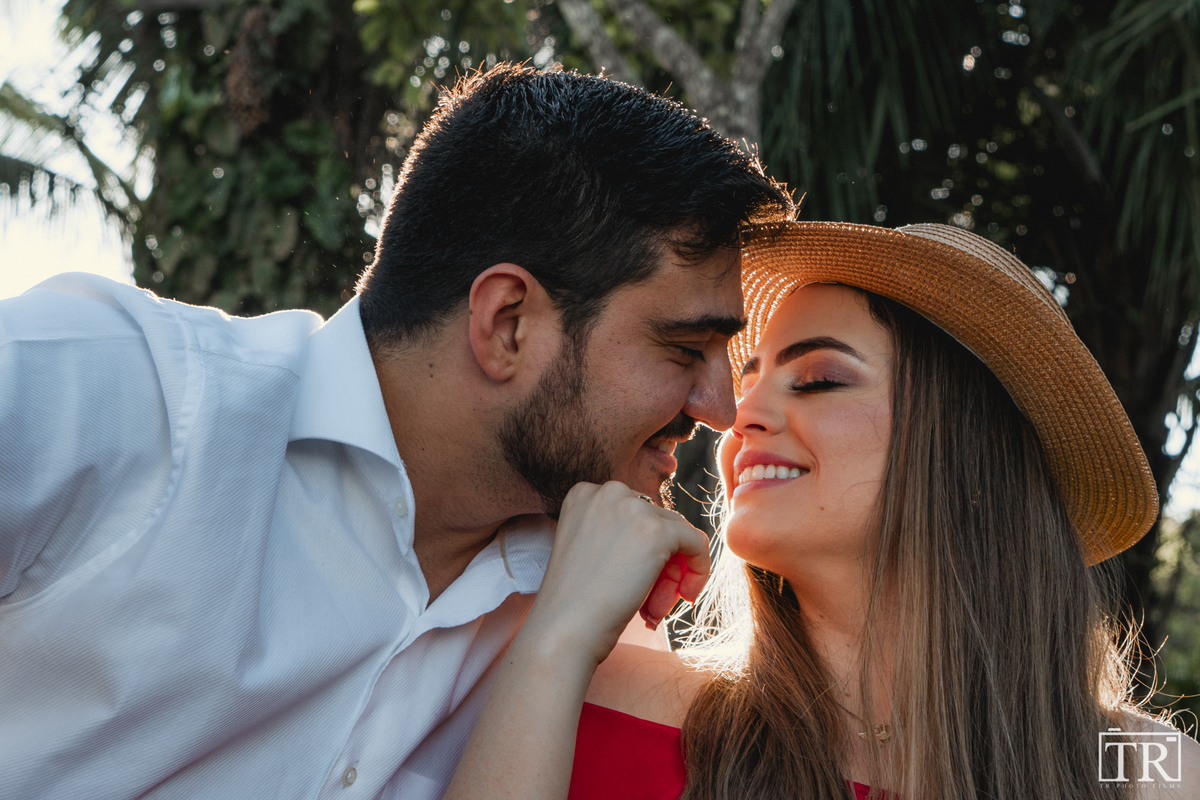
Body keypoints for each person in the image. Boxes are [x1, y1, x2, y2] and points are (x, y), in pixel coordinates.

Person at [0, 64, 791, 798]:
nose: (723, 407)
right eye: (684, 349)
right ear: (507, 323)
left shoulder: (584, 603)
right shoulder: (112, 389)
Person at [444, 221, 1200, 800]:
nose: (739, 416)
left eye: (818, 380)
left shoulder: (1147, 768)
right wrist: (559, 632)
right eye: (752, 378)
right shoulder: (607, 695)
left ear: (965, 456)